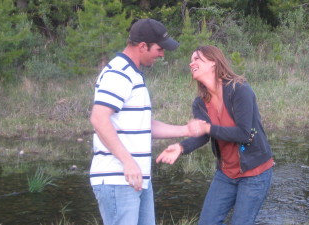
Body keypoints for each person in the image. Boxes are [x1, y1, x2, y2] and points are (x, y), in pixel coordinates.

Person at [89, 18, 197, 225]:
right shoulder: (118, 73)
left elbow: (143, 125)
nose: (162, 54)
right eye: (159, 49)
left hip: (136, 178)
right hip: (118, 179)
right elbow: (98, 118)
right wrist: (128, 161)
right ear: (142, 46)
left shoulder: (134, 74)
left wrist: (187, 130)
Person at [156, 45, 274, 225]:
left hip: (254, 173)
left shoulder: (240, 89)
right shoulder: (200, 103)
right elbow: (202, 135)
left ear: (213, 62)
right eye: (191, 59)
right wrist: (181, 147)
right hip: (226, 173)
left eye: (197, 59)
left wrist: (207, 129)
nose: (191, 63)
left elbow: (244, 134)